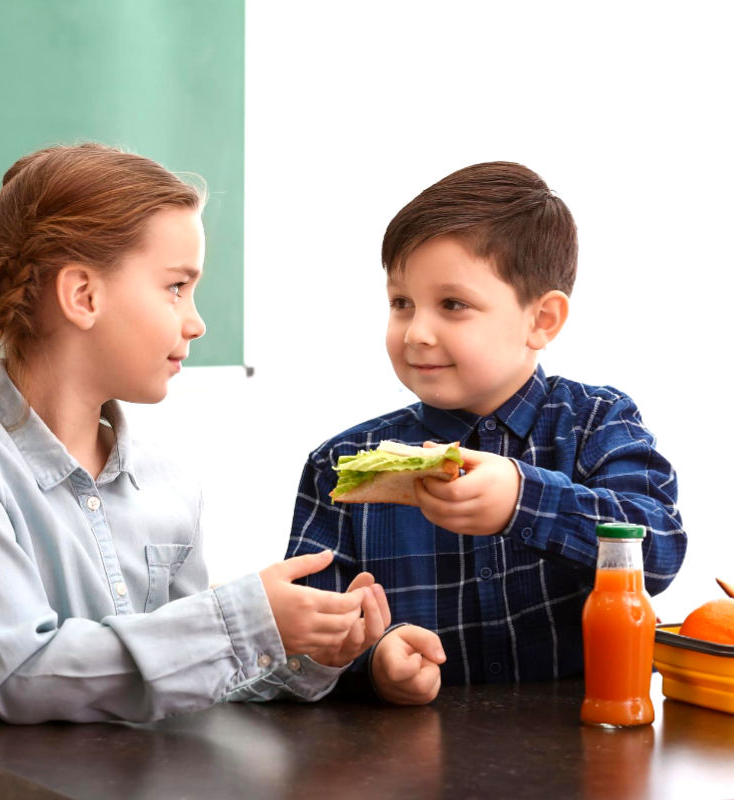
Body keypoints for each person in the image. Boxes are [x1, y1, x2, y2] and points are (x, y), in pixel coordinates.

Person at [0, 144, 388, 800]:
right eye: (176, 286)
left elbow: (183, 672)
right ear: (83, 295)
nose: (197, 321)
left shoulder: (168, 477)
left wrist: (304, 651)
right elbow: (21, 676)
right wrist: (247, 622)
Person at [287, 161, 686, 703]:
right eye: (402, 303)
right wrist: (375, 657)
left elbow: (659, 551)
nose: (417, 333)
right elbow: (305, 645)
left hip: (582, 756)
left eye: (453, 305)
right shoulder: (342, 461)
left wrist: (525, 501)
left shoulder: (596, 420)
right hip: (411, 766)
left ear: (541, 320)